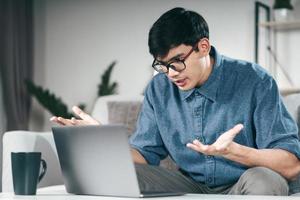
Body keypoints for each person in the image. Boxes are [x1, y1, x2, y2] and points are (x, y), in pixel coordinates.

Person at [51, 7, 300, 195]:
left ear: (203, 46)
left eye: (177, 61)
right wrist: (102, 139)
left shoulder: (255, 81)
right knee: (116, 175)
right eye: (162, 66)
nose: (171, 74)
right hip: (189, 185)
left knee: (265, 181)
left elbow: (291, 165)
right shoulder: (158, 89)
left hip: (244, 180)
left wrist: (237, 152)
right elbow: (144, 155)